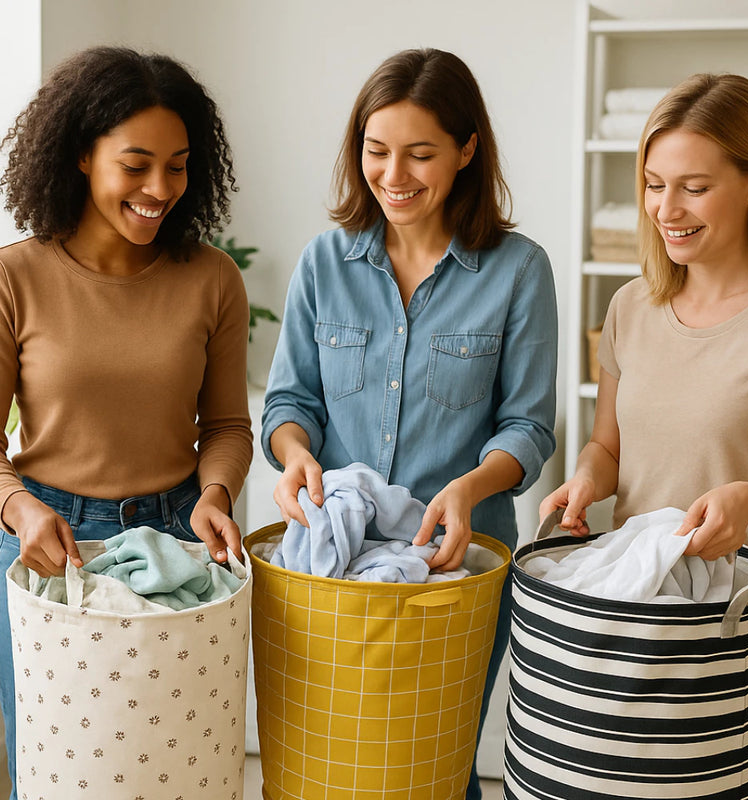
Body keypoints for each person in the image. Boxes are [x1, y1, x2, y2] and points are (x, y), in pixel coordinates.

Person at [262, 48, 557, 798]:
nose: (394, 175)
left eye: (420, 154)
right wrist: (294, 456)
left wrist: (469, 486)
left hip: (453, 573)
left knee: (433, 770)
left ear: (466, 149)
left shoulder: (518, 270)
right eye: (376, 151)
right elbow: (289, 405)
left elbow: (527, 425)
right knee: (329, 769)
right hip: (334, 576)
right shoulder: (323, 264)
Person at [0, 46, 253, 798]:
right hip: (49, 544)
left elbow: (230, 426)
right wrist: (19, 507)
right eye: (136, 165)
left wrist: (215, 497)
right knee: (58, 772)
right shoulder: (16, 278)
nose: (159, 189)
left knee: (183, 772)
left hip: (177, 543)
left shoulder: (213, 279)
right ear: (81, 154)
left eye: (177, 166)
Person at [540, 73, 748, 800]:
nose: (666, 210)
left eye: (693, 186)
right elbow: (609, 448)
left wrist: (747, 501)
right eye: (654, 185)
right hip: (638, 620)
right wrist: (588, 478)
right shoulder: (630, 308)